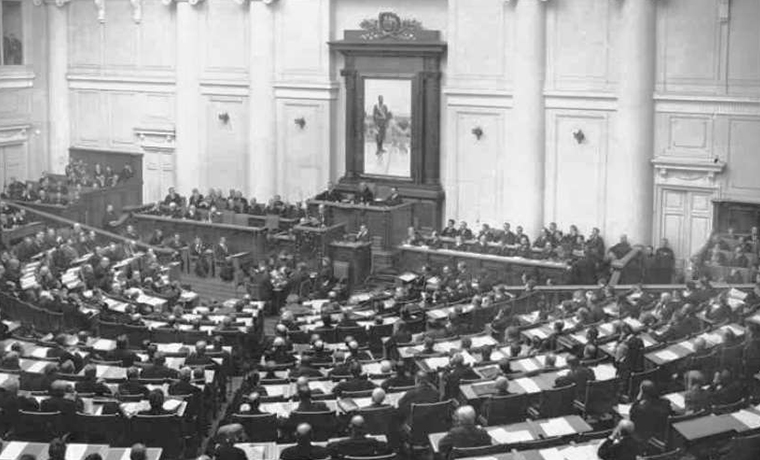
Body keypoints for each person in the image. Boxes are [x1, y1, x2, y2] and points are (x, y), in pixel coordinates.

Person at [326, 415, 391, 459]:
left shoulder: (341, 444)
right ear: (365, 427)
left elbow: (329, 450)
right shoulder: (375, 443)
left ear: (350, 427)